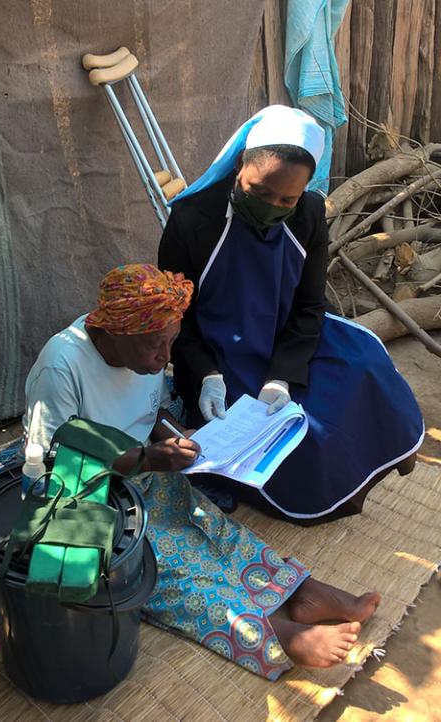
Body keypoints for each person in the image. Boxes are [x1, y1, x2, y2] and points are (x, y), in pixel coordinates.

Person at [24, 263, 380, 680]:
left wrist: (177, 436)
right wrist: (147, 458)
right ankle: (272, 633)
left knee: (210, 527)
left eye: (172, 342)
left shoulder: (144, 352)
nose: (165, 357)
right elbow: (54, 455)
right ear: (115, 333)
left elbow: (149, 408)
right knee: (167, 563)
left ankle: (301, 591)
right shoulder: (62, 365)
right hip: (84, 490)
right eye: (156, 345)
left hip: (141, 468)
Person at [158, 104, 424, 525]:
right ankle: (332, 497)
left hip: (290, 334)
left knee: (366, 369)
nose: (273, 205)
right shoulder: (191, 221)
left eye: (287, 198)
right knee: (306, 438)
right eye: (260, 191)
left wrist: (282, 375)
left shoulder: (309, 214)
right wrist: (205, 373)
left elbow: (308, 306)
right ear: (240, 166)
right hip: (219, 348)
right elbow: (179, 320)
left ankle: (383, 463)